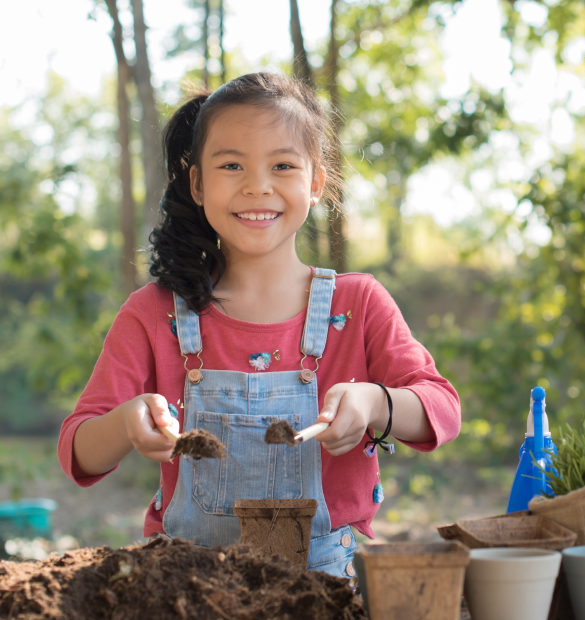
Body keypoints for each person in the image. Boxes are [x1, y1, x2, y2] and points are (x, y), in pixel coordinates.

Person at [57, 72, 461, 578]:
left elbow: (442, 409)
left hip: (323, 589)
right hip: (187, 592)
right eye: (231, 165)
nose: (257, 186)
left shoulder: (358, 304)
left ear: (315, 182)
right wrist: (125, 425)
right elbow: (78, 452)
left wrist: (376, 402)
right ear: (198, 183)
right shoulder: (153, 313)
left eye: (283, 165)